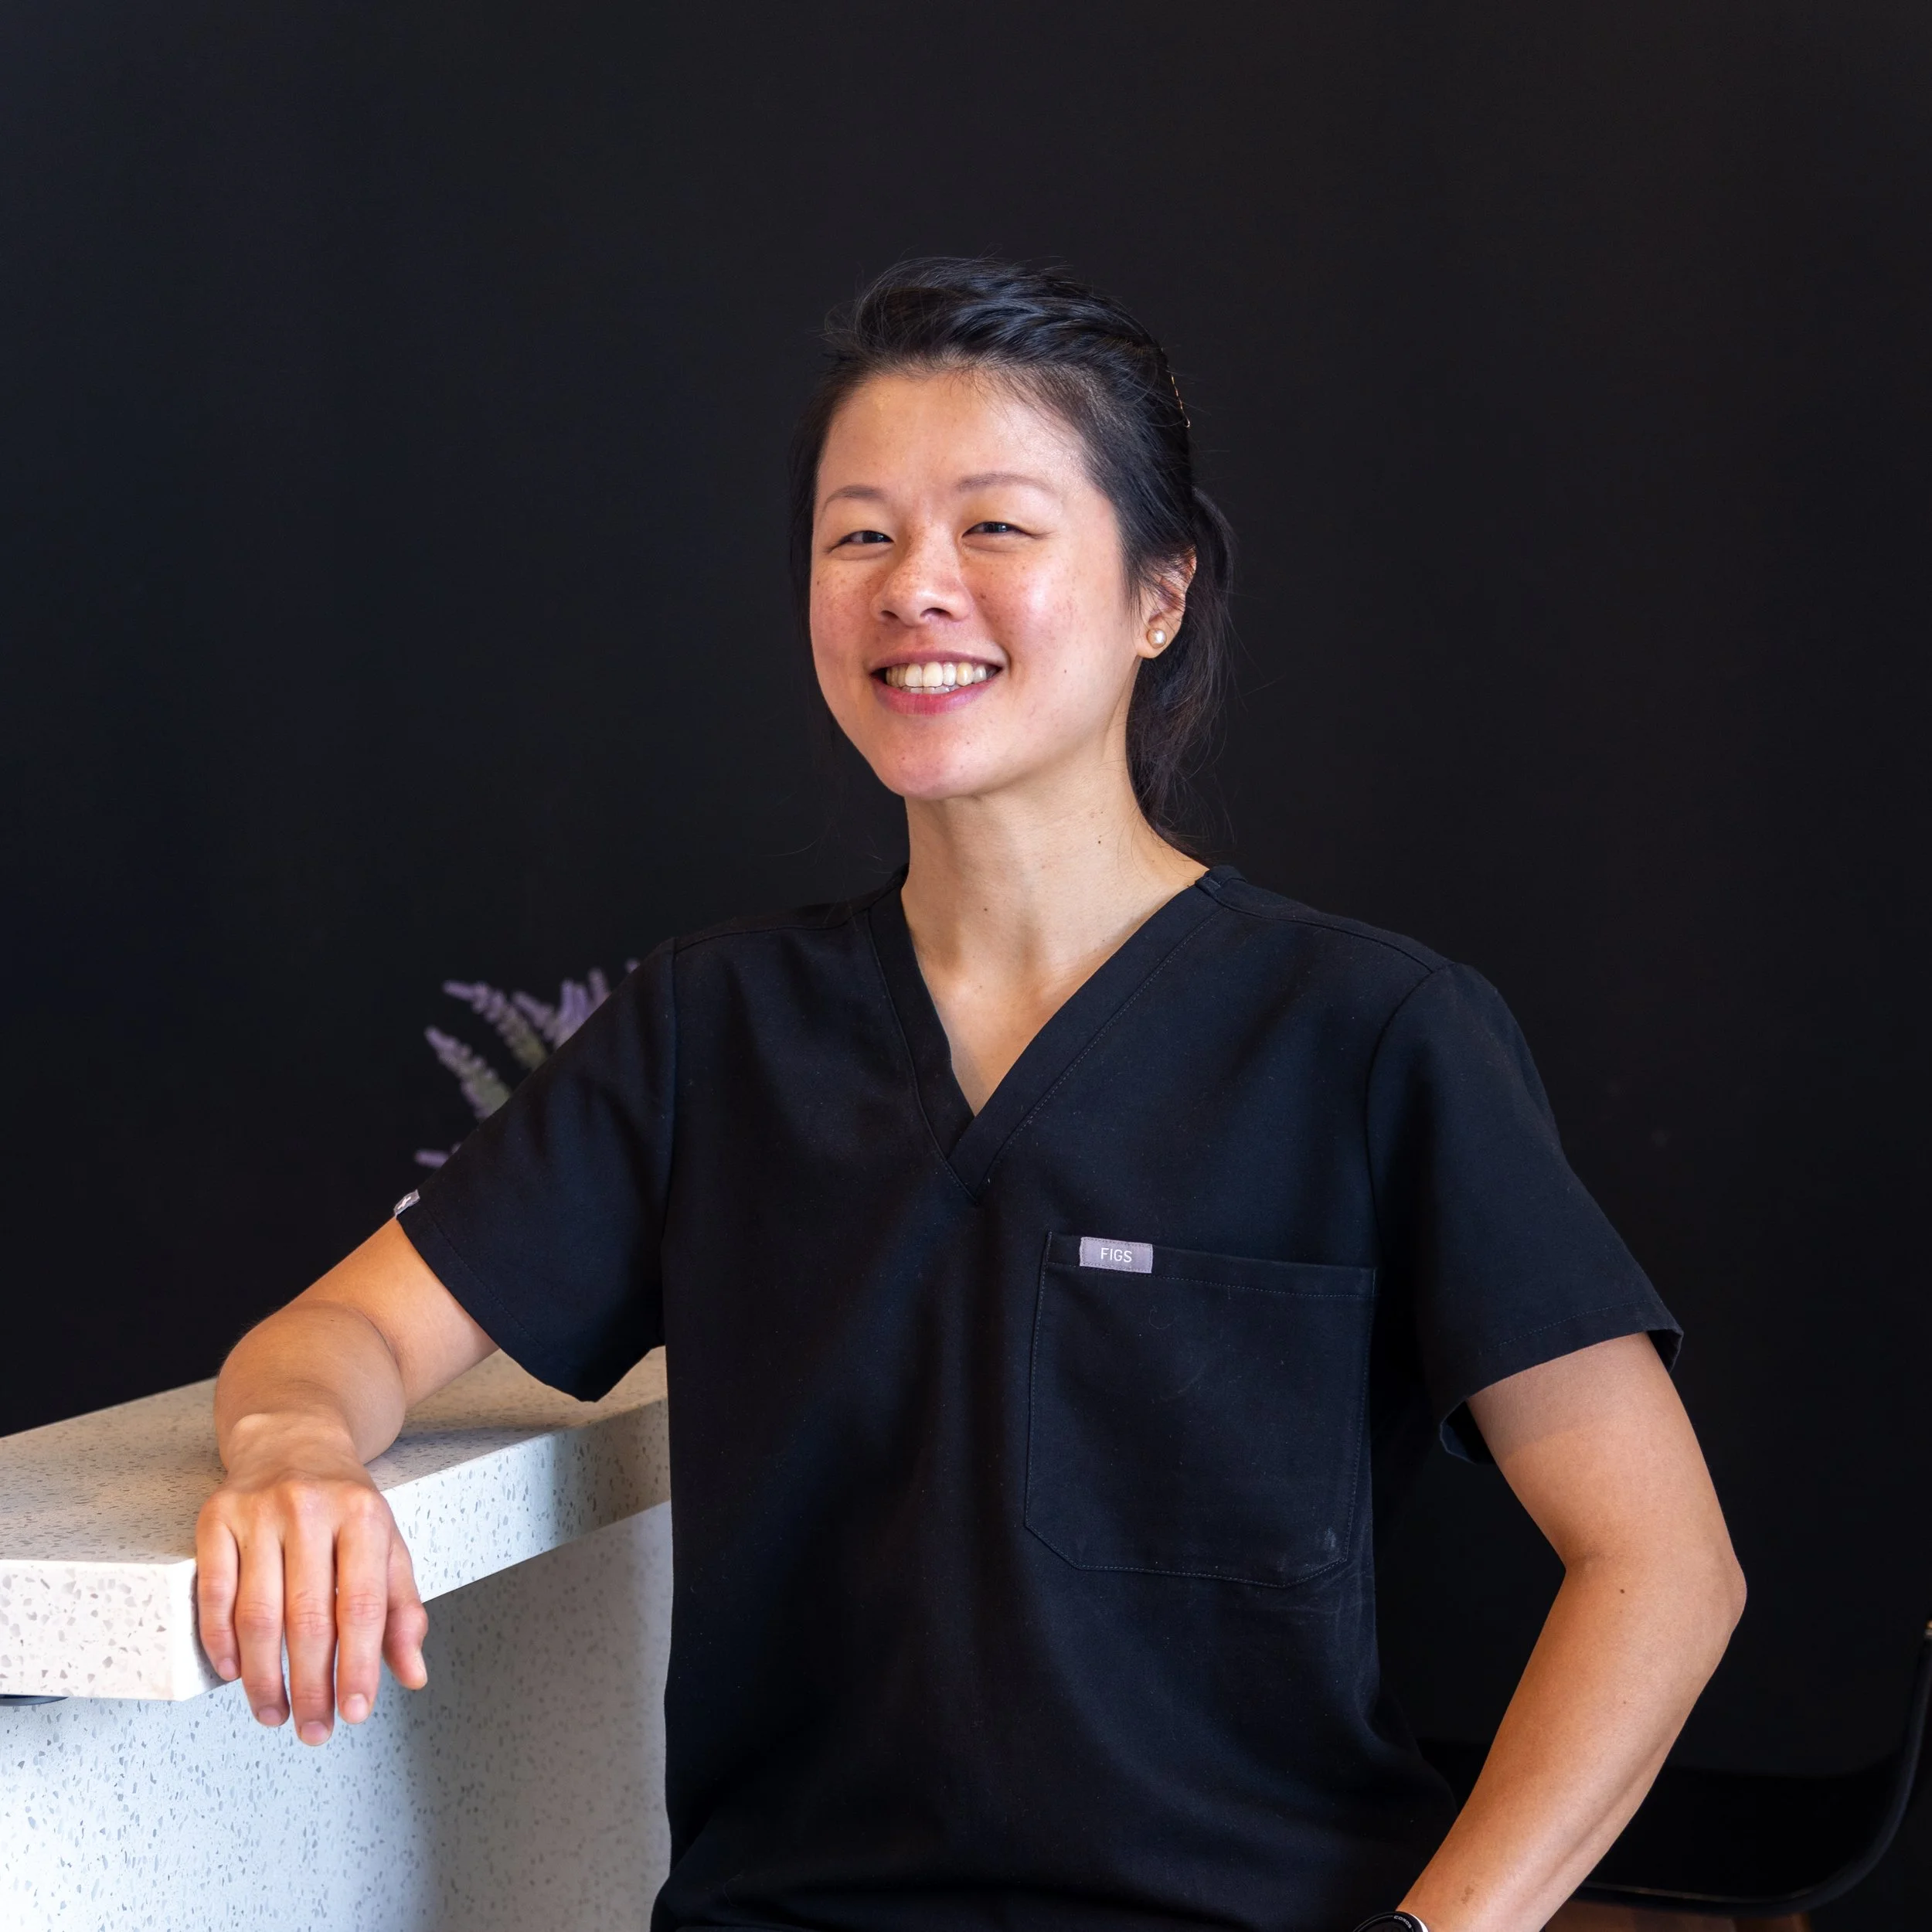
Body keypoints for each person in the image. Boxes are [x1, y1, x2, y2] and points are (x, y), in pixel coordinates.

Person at [197, 259, 1745, 1932]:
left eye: (994, 528)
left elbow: (1660, 1562)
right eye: (857, 535)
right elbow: (330, 1338)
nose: (911, 586)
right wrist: (293, 1455)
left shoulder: (1370, 1033)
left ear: (1161, 590)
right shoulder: (710, 1030)